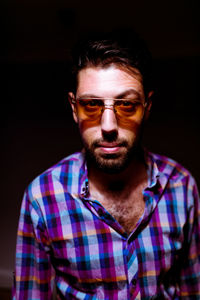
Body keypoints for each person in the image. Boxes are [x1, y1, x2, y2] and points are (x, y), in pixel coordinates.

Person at [13, 29, 200, 299]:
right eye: (91, 105)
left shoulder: (182, 187)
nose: (108, 126)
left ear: (146, 108)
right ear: (74, 107)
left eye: (126, 105)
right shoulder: (43, 197)